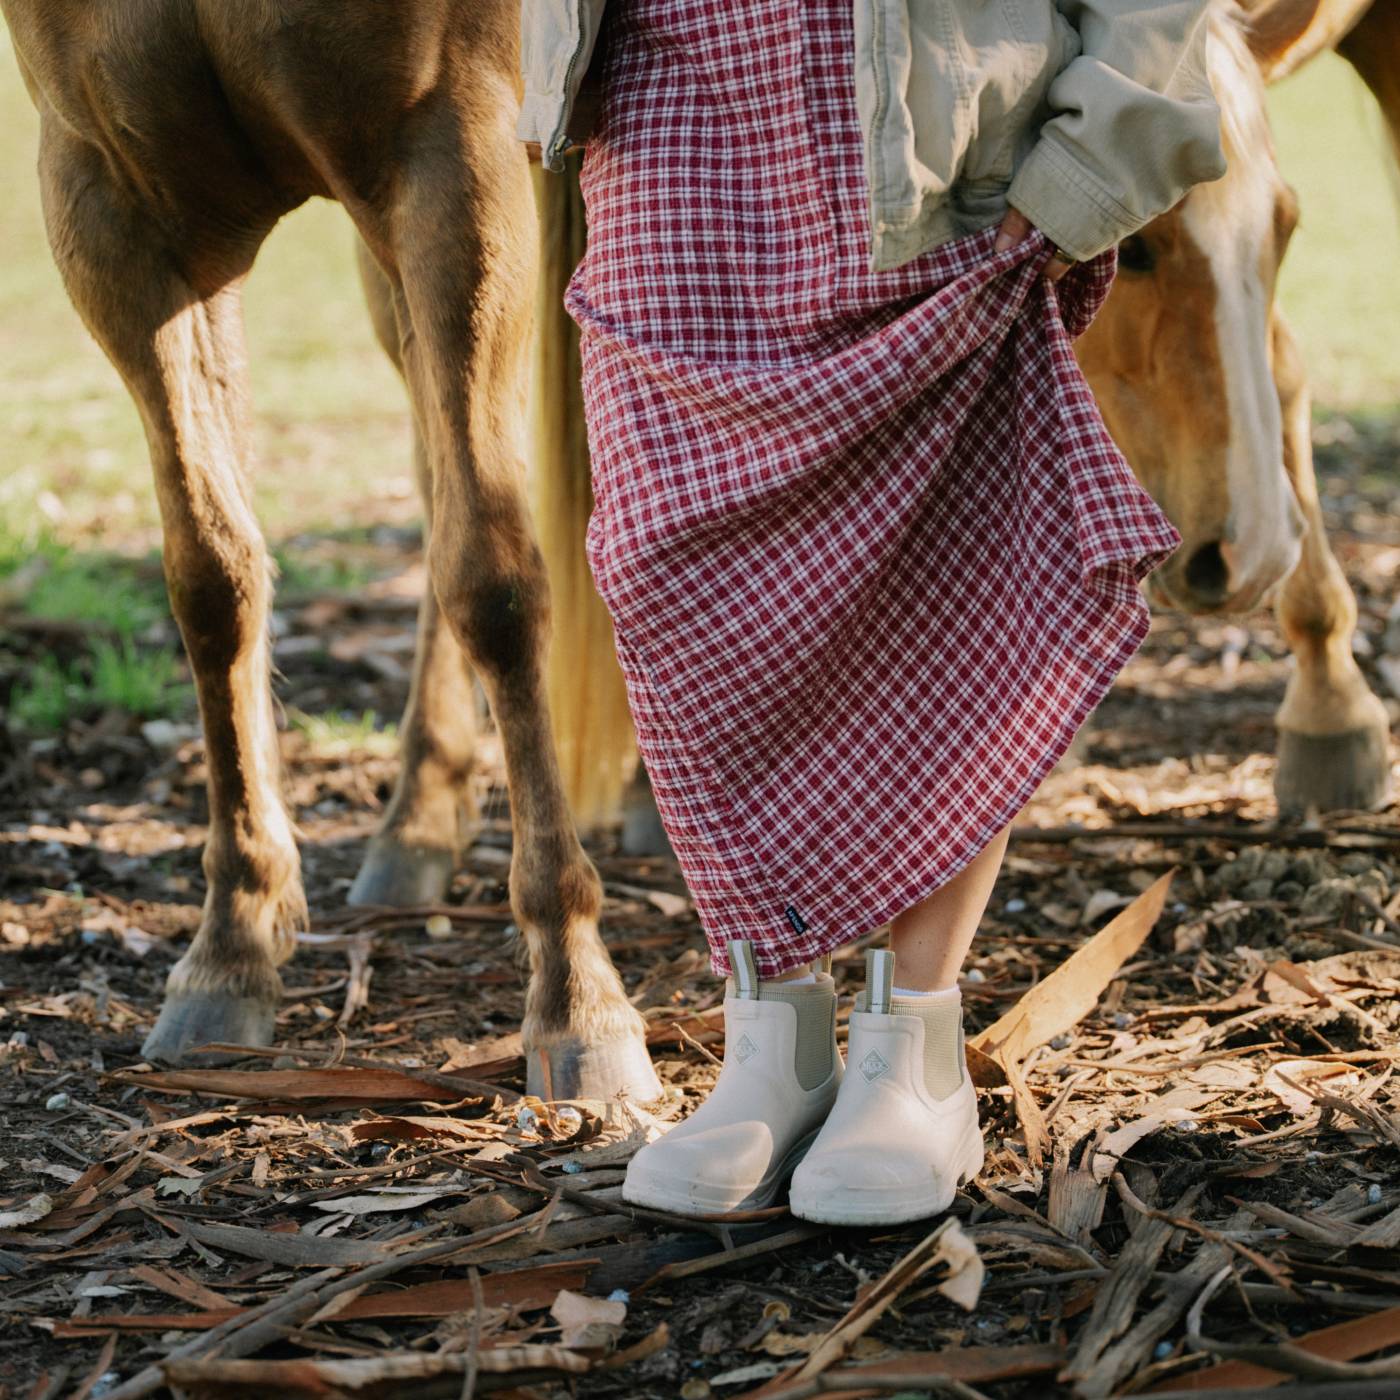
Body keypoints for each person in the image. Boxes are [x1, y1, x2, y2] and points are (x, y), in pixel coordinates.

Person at [517, 0, 1226, 1224]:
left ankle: (915, 1049)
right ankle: (773, 1042)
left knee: (956, 577)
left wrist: (1080, 164)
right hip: (663, 118)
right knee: (668, 567)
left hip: (933, 140)